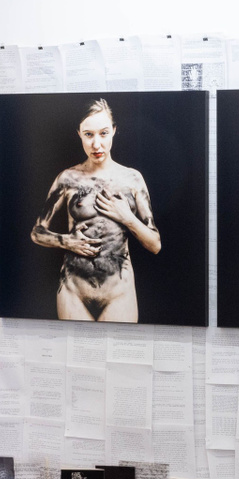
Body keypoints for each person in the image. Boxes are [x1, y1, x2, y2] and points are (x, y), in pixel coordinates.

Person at [31, 99, 161, 322]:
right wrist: (67, 241)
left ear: (114, 131)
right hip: (73, 291)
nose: (96, 144)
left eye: (103, 133)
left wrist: (127, 217)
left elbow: (155, 244)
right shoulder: (68, 178)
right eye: (89, 135)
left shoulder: (132, 179)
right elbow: (37, 233)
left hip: (118, 293)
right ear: (79, 134)